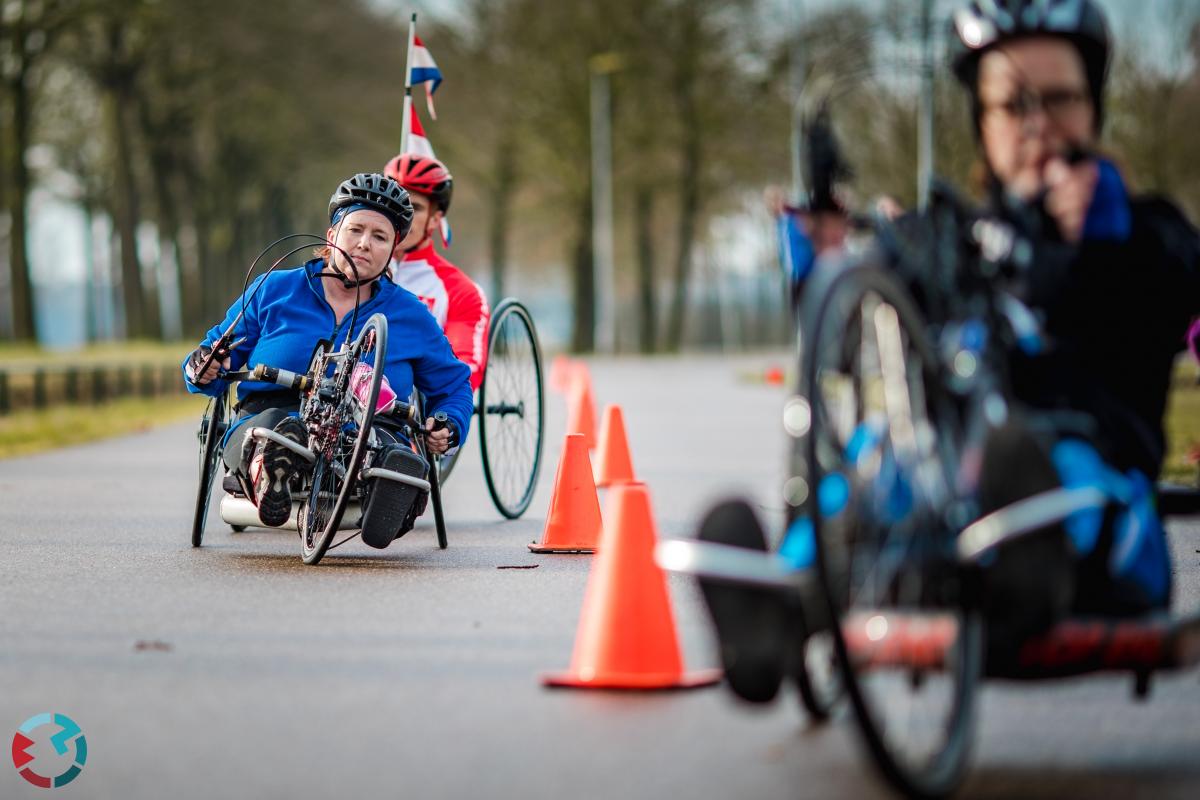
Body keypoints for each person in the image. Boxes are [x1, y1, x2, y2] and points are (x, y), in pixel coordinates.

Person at [700, 0, 1200, 701]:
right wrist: (824, 261)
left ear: (1094, 107)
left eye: (1059, 100)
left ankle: (1025, 567)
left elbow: (1178, 278)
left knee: (1039, 459)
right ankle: (776, 605)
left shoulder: (1146, 229)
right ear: (982, 121)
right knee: (877, 464)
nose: (1038, 125)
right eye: (1012, 105)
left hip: (1097, 503)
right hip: (948, 487)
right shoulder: (946, 241)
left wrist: (1100, 238)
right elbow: (844, 331)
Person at [183, 173, 473, 539]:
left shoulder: (411, 314)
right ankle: (272, 470)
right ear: (333, 234)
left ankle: (394, 488)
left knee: (389, 451)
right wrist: (205, 369)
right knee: (274, 430)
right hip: (274, 413)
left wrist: (449, 424)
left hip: (366, 430)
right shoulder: (275, 289)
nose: (365, 244)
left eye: (380, 237)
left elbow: (455, 386)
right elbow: (212, 354)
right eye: (355, 230)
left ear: (393, 251)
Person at [383, 153, 490, 391]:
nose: (401, 215)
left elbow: (465, 369)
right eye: (392, 203)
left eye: (414, 207)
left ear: (435, 220)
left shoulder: (461, 292)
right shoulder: (353, 271)